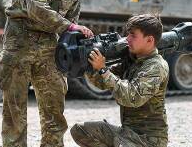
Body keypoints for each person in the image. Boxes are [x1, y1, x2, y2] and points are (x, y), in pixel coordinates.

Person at [0, 0, 93, 147]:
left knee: (54, 108)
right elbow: (36, 7)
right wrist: (69, 27)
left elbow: (73, 19)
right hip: (19, 41)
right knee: (15, 110)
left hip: (50, 45)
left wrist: (75, 37)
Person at [71, 13, 170, 147]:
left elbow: (132, 97)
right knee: (80, 130)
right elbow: (101, 83)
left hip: (147, 140)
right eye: (128, 34)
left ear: (149, 40)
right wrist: (89, 64)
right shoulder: (133, 60)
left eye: (133, 35)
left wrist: (104, 70)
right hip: (127, 133)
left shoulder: (156, 66)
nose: (127, 39)